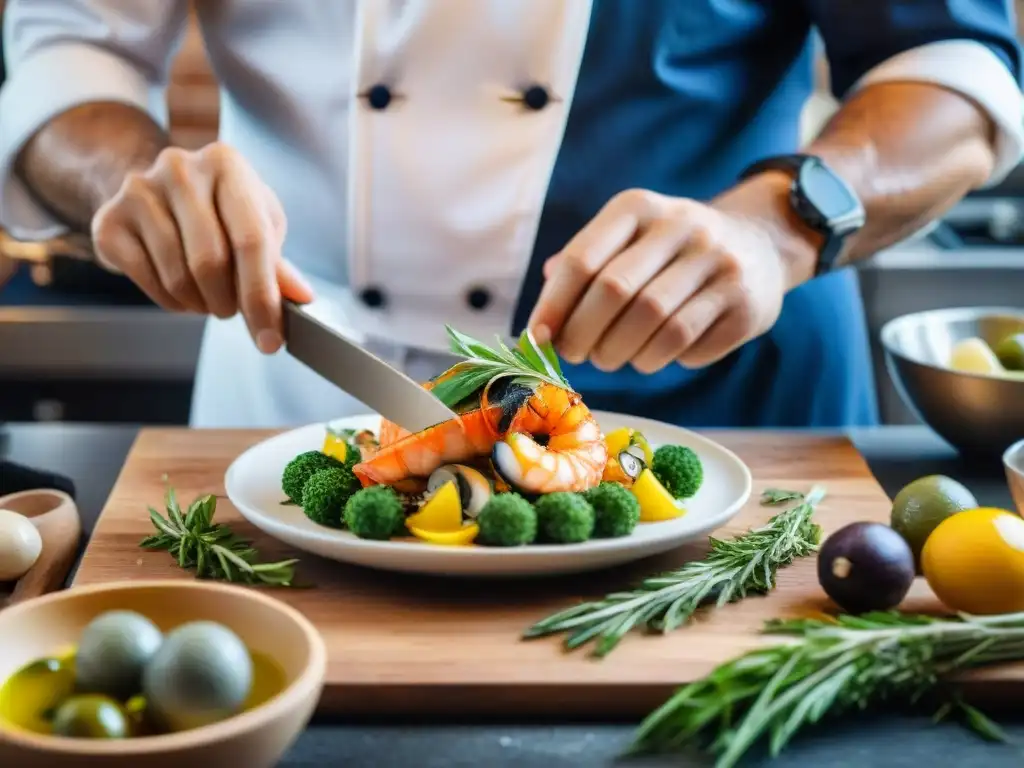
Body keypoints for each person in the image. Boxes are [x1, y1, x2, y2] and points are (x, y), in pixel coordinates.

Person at [0, 2, 1020, 430]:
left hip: (722, 403)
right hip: (298, 384)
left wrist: (778, 224)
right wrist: (130, 179)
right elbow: (70, 49)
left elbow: (951, 67)